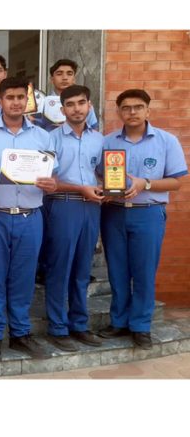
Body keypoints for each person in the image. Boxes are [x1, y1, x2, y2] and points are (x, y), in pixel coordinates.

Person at [0, 77, 58, 361]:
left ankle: (20, 334)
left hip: (31, 216)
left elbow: (51, 175)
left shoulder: (43, 137)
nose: (16, 102)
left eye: (21, 97)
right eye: (11, 97)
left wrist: (52, 184)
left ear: (27, 100)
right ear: (0, 101)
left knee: (24, 276)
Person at [97, 89, 187, 349]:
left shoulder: (166, 141)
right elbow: (98, 175)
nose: (132, 112)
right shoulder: (108, 142)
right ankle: (119, 322)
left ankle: (141, 326)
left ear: (148, 110)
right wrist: (103, 187)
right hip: (113, 212)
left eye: (138, 107)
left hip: (148, 213)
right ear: (119, 112)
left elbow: (177, 182)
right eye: (126, 108)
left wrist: (144, 183)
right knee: (117, 270)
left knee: (144, 271)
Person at [42, 85, 104, 352]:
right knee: (60, 268)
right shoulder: (51, 139)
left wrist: (112, 188)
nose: (77, 108)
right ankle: (57, 326)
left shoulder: (100, 140)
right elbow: (50, 182)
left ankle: (79, 324)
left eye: (81, 103)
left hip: (91, 208)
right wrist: (81, 189)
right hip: (63, 206)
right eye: (71, 104)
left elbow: (104, 173)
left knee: (82, 269)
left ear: (89, 105)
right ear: (62, 108)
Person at [33, 59, 99, 132]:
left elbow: (93, 129)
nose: (65, 78)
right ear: (52, 79)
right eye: (59, 74)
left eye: (69, 74)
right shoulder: (42, 103)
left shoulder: (85, 104)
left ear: (74, 79)